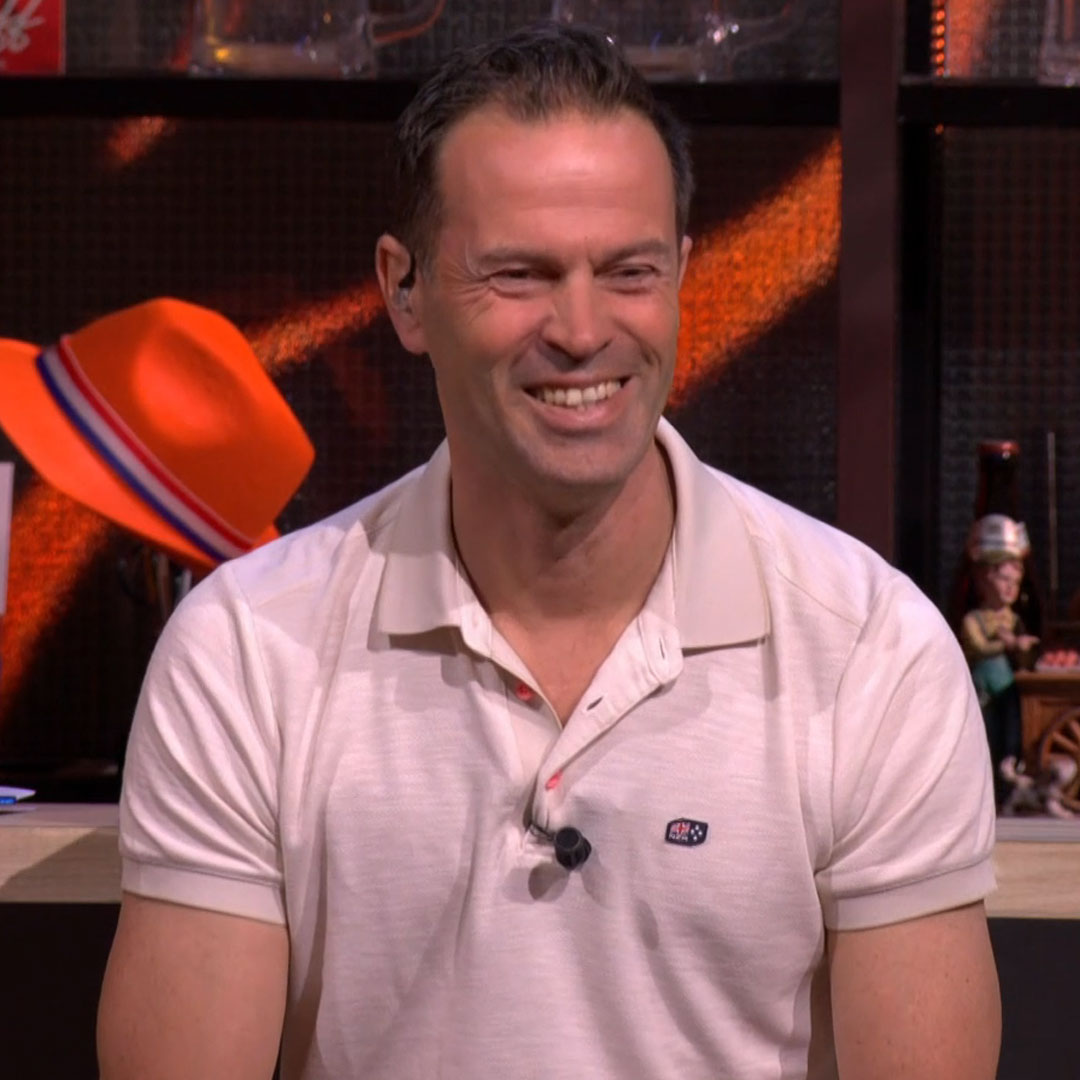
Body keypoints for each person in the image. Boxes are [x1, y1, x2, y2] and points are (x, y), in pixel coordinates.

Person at [98, 23, 1001, 1080]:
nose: (580, 329)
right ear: (404, 291)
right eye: (520, 274)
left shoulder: (871, 652)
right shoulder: (246, 652)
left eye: (628, 271)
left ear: (681, 276)